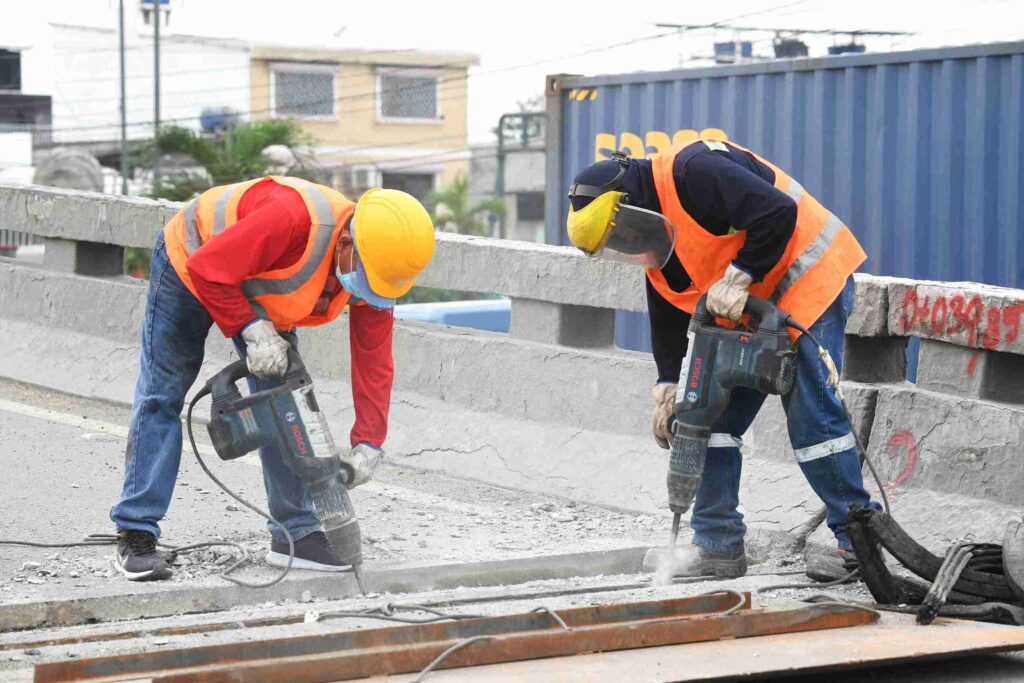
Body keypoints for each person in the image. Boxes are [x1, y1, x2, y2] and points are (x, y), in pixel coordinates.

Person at [566, 141, 880, 582]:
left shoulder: (695, 170)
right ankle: (716, 545)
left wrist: (739, 275)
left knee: (813, 420)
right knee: (703, 416)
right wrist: (670, 385)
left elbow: (777, 213)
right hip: (747, 305)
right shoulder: (656, 233)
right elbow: (668, 299)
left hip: (807, 279)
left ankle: (861, 542)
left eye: (620, 234)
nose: (627, 245)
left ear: (629, 205)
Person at [111, 176, 435, 581]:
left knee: (289, 403)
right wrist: (250, 327)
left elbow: (374, 358)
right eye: (370, 282)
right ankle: (136, 531)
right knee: (164, 392)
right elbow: (208, 268)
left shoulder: (373, 268)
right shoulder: (294, 219)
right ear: (348, 246)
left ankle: (293, 535)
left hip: (255, 285)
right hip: (192, 264)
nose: (369, 294)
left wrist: (369, 441)